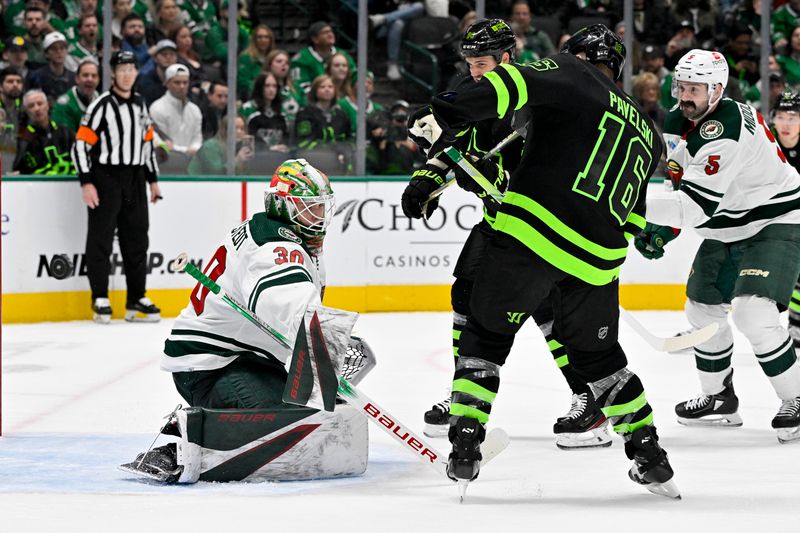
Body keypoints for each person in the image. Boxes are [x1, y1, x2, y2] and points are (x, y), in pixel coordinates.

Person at [409, 24, 676, 495]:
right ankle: (649, 453)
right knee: (603, 359)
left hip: (530, 234)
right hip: (598, 260)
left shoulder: (570, 74)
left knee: (485, 337)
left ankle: (466, 444)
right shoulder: (648, 131)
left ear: (574, 56)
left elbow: (507, 87)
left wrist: (442, 113)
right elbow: (634, 214)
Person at [403, 19, 611, 450]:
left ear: (507, 58)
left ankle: (590, 398)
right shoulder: (474, 90)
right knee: (465, 297)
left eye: (482, 64)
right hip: (498, 221)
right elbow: (452, 145)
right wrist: (427, 179)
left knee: (550, 314)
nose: (474, 73)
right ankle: (464, 393)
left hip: (540, 227)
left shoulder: (538, 96)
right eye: (471, 64)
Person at [119, 159, 370, 483]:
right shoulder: (275, 247)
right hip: (213, 368)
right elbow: (289, 307)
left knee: (319, 414)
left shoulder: (275, 234)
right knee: (296, 425)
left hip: (244, 361)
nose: (319, 218)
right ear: (282, 205)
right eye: (309, 209)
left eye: (322, 208)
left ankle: (216, 421)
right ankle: (183, 443)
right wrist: (324, 351)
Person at [637, 49, 800, 445]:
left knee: (753, 312)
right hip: (726, 225)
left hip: (773, 221)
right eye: (682, 86)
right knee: (701, 308)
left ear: (718, 89)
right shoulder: (679, 120)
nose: (686, 95)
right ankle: (719, 398)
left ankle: (796, 397)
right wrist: (665, 229)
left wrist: (631, 214)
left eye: (696, 88)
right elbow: (684, 186)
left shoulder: (725, 131)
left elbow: (693, 207)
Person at [70, 50, 162, 324]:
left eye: (131, 69)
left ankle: (136, 299)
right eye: (121, 69)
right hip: (106, 178)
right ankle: (100, 297)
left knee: (137, 239)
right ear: (113, 73)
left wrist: (153, 180)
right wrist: (87, 182)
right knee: (101, 239)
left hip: (134, 179)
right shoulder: (100, 105)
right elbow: (80, 146)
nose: (126, 74)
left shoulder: (140, 104)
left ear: (135, 73)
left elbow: (147, 145)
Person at [772, 92, 800, 350]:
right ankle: (708, 326)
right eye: (780, 116)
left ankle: (796, 324)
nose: (785, 124)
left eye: (792, 117)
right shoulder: (766, 145)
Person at [12, 88, 74, 174]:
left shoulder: (65, 132)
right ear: (26, 111)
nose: (36, 109)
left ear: (48, 105)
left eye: (40, 104)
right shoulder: (23, 139)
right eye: (31, 106)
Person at [149, 63, 202, 156]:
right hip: (166, 162)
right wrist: (186, 151)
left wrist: (194, 149)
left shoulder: (195, 109)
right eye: (177, 82)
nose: (182, 86)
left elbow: (198, 138)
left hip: (193, 161)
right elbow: (162, 142)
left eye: (185, 82)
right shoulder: (156, 108)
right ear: (167, 83)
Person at [290, 21, 355, 95]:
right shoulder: (301, 59)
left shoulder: (343, 55)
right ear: (315, 39)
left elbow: (355, 77)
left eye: (331, 31)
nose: (330, 34)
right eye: (325, 32)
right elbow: (299, 85)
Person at [294, 74, 351, 150]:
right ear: (315, 91)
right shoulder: (305, 114)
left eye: (330, 87)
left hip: (339, 157)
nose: (327, 89)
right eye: (322, 87)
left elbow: (347, 139)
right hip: (313, 157)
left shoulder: (341, 115)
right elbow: (303, 142)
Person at [187, 114, 253, 175]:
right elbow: (216, 174)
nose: (239, 132)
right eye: (235, 128)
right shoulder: (211, 146)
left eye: (242, 128)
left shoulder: (239, 148)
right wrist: (238, 160)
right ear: (225, 129)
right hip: (197, 185)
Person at [240, 72, 289, 153]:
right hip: (255, 156)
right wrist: (268, 149)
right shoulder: (247, 108)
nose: (271, 89)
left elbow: (286, 137)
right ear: (259, 88)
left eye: (274, 86)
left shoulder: (283, 111)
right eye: (267, 86)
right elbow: (244, 136)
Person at [52, 57, 99, 132]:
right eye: (85, 75)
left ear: (98, 80)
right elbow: (65, 139)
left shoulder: (103, 101)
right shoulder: (64, 105)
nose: (90, 79)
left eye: (94, 76)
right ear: (77, 79)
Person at [26, 31, 75, 101]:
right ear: (46, 53)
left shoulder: (73, 77)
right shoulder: (36, 76)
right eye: (54, 49)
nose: (59, 52)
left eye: (62, 48)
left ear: (67, 51)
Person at [237, 24, 274, 99]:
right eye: (259, 37)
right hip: (252, 94)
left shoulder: (273, 57)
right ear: (254, 39)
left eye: (266, 37)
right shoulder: (246, 57)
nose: (263, 40)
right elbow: (242, 81)